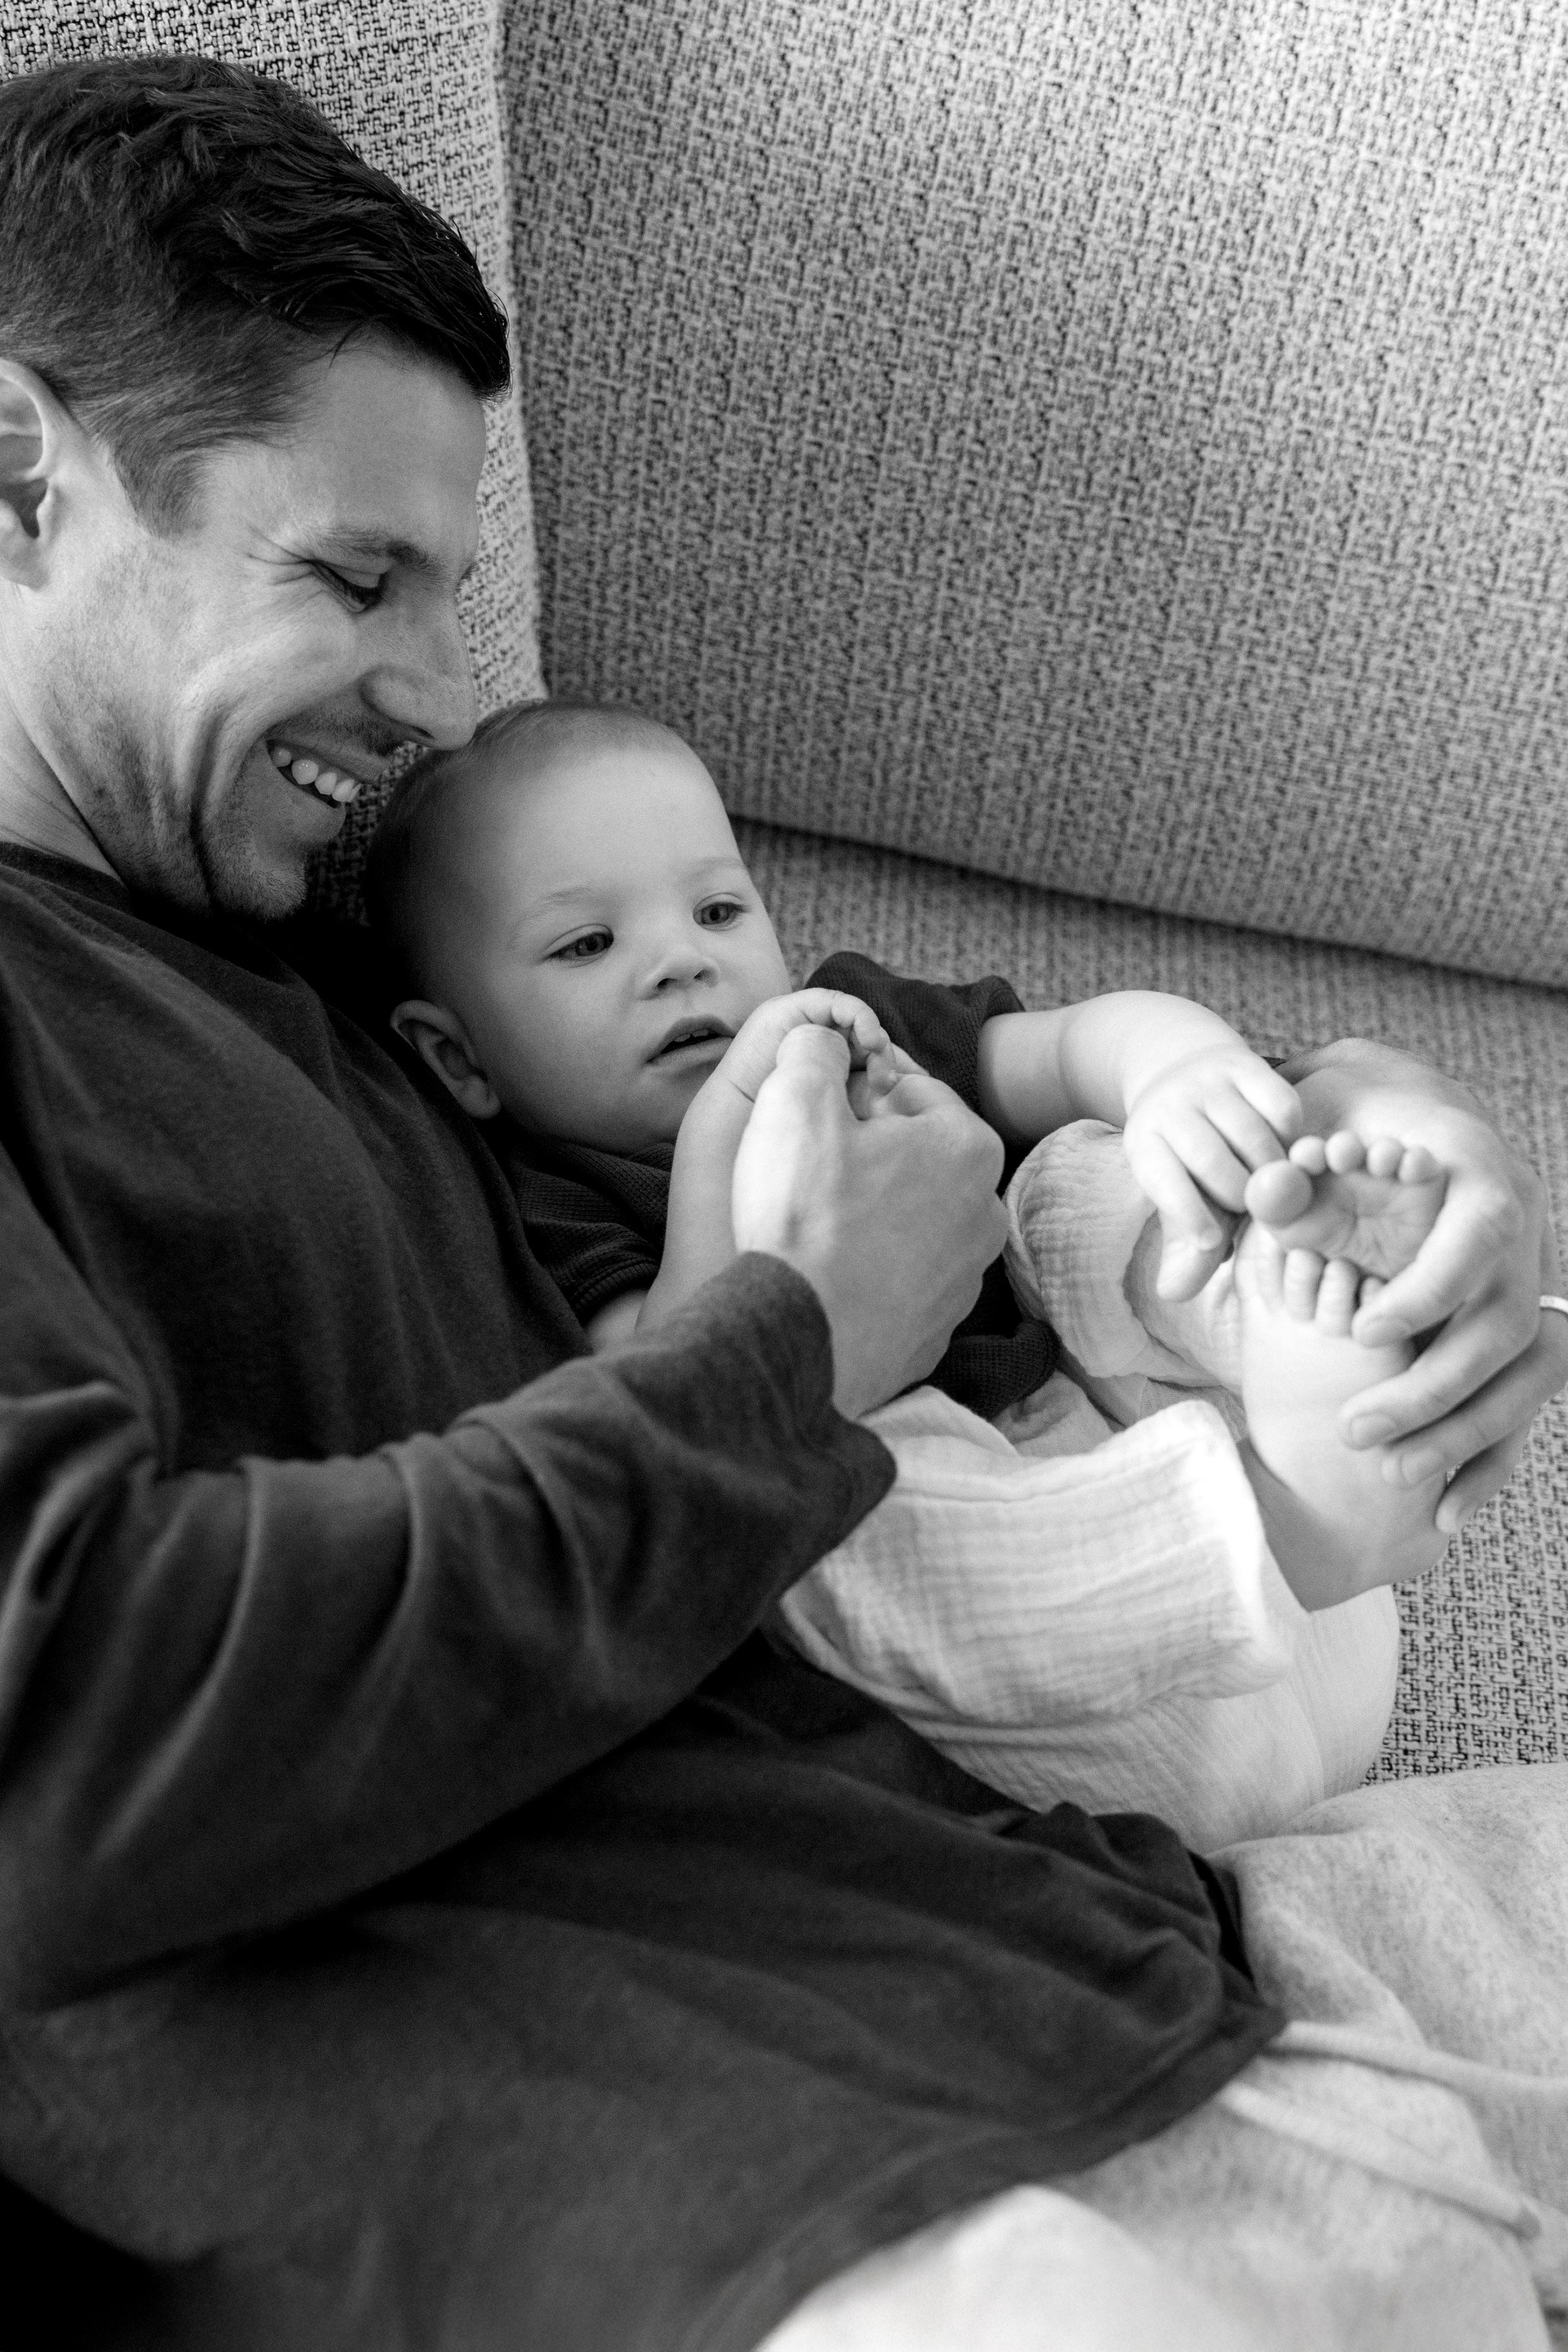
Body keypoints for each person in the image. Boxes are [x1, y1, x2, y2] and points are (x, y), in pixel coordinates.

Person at [1, 51, 1566, 2352]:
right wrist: (784, 1357)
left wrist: (1393, 1151)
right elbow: (73, 1750)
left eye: (454, 591)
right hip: (765, 2204)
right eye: (352, 577)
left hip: (1160, 1977)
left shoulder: (349, 926)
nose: (438, 694)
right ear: (24, 479)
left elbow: (1018, 1079)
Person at [365, 698, 1453, 1845]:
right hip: (1104, 1687)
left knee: (1072, 1173)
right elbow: (689, 1410)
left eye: (719, 909)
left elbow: (1074, 1046)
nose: (682, 961)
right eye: (590, 944)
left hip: (1277, 1582)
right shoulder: (541, 1208)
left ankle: (1296, 1303)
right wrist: (721, 1166)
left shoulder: (849, 1028)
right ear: (457, 1056)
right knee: (826, 1538)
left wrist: (1182, 1071)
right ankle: (1303, 1513)